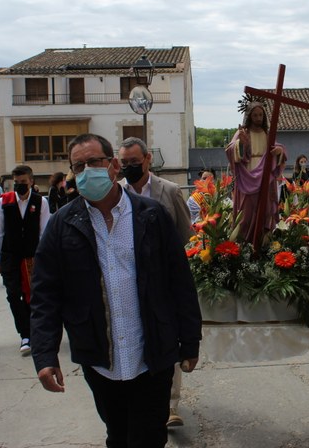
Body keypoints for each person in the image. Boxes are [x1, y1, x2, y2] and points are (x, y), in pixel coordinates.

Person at [31, 133, 202, 448]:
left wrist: (190, 341)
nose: (87, 170)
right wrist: (45, 353)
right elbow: (46, 295)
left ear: (112, 166)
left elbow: (180, 281)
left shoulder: (151, 216)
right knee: (118, 435)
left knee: (149, 437)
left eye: (94, 162)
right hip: (99, 359)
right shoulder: (61, 225)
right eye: (78, 166)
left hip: (152, 355)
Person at [118, 136, 193, 427]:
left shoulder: (170, 191)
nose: (129, 168)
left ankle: (171, 405)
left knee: (166, 345)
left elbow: (186, 237)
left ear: (148, 159)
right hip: (129, 283)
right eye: (124, 164)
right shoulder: (116, 194)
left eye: (134, 163)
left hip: (163, 284)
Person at [0, 165, 51, 355]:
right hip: (11, 257)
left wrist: (46, 258)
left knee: (33, 297)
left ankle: (36, 332)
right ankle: (24, 334)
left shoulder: (41, 202)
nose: (19, 186)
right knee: (14, 295)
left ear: (31, 182)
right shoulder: (4, 202)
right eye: (16, 183)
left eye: (23, 182)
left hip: (33, 257)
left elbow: (44, 232)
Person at [225, 101, 286, 242]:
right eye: (255, 115)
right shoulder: (243, 132)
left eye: (260, 115)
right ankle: (244, 243)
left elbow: (278, 149)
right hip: (247, 174)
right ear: (249, 116)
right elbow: (230, 149)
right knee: (245, 213)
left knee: (265, 210)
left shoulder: (267, 133)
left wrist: (279, 151)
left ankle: (263, 243)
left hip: (265, 175)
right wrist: (241, 143)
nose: (258, 118)